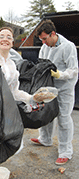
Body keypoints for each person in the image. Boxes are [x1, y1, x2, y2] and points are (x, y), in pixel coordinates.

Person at [0, 27, 46, 179]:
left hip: (6, 112)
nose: (5, 39)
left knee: (8, 146)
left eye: (9, 36)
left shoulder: (12, 65)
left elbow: (14, 91)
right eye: (2, 36)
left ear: (12, 42)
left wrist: (31, 98)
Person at [30, 19, 78, 165]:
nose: (43, 42)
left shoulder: (68, 47)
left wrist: (59, 75)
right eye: (41, 40)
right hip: (49, 85)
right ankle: (45, 139)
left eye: (45, 38)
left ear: (53, 34)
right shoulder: (45, 47)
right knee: (46, 112)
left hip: (64, 87)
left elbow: (74, 70)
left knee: (63, 118)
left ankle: (65, 152)